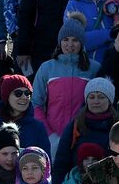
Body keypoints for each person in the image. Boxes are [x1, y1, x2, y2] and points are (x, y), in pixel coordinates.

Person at [31, 19, 99, 147]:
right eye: (66, 39)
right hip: (52, 138)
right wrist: (49, 135)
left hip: (84, 137)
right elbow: (36, 104)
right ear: (60, 41)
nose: (70, 44)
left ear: (81, 43)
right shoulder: (46, 68)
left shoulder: (94, 68)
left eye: (75, 40)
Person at [51, 77, 118, 184]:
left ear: (110, 100)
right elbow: (61, 161)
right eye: (91, 97)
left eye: (101, 97)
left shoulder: (118, 126)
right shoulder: (75, 126)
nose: (96, 101)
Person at [0, 74, 48, 159]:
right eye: (18, 93)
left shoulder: (38, 128)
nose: (24, 97)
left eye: (27, 93)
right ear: (6, 97)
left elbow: (46, 164)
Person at [65, 0, 114, 64]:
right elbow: (76, 40)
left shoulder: (111, 3)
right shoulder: (74, 5)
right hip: (84, 66)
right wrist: (108, 34)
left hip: (111, 66)